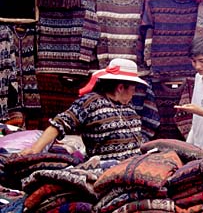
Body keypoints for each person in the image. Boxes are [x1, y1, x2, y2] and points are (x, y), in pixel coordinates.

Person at [20, 58, 149, 161]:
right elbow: (59, 124)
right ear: (120, 87)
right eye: (133, 89)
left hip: (132, 165)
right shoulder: (91, 102)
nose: (134, 93)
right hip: (108, 169)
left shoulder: (127, 105)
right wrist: (35, 149)